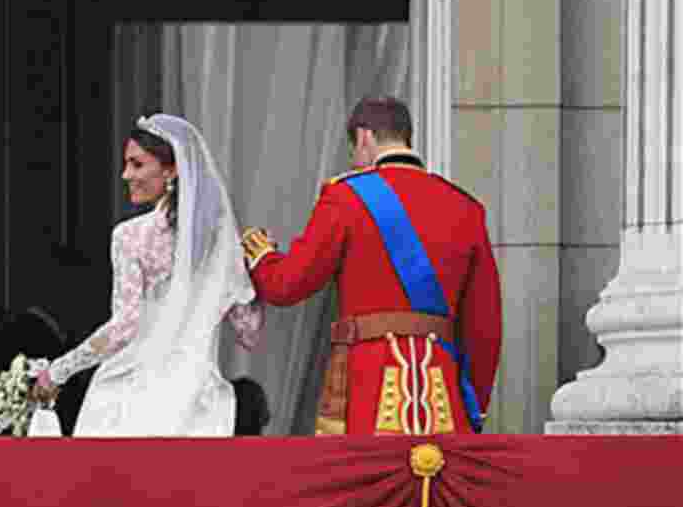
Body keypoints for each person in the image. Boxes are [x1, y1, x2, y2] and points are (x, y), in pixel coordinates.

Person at [241, 97, 501, 435]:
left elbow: (288, 284)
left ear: (364, 137)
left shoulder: (346, 196)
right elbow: (484, 327)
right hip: (443, 397)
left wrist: (260, 254)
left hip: (369, 386)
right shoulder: (466, 207)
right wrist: (472, 407)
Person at [34, 114, 264, 436]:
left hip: (131, 398)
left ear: (171, 170)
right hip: (199, 405)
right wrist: (258, 267)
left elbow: (124, 327)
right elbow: (248, 334)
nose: (125, 175)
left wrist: (59, 370)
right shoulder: (220, 245)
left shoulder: (131, 237)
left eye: (137, 164)